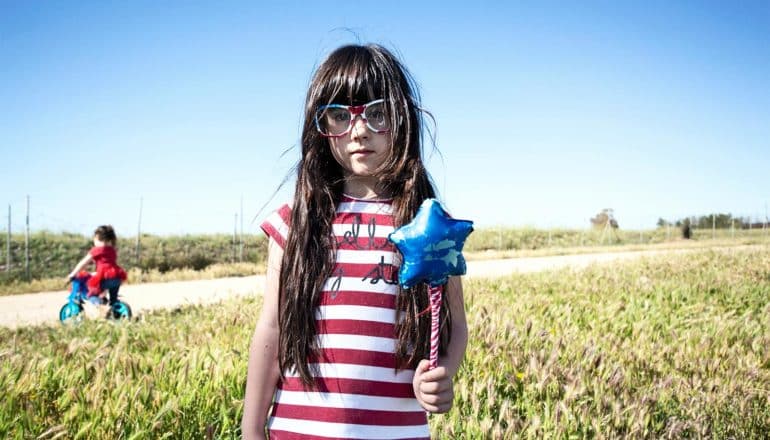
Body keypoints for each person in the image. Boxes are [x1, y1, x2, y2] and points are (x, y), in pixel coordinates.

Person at [241, 44, 468, 439]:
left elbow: (455, 325)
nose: (359, 131)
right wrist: (250, 430)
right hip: (297, 430)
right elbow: (272, 329)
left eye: (377, 113)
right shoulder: (297, 220)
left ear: (403, 118)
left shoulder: (426, 224)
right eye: (340, 115)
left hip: (396, 431)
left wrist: (442, 371)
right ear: (321, 126)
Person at [65, 225, 127, 307]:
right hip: (117, 277)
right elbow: (107, 265)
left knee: (91, 293)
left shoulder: (97, 250)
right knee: (113, 300)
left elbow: (83, 263)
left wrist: (72, 274)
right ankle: (115, 308)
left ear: (99, 239)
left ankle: (101, 307)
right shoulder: (112, 250)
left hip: (105, 278)